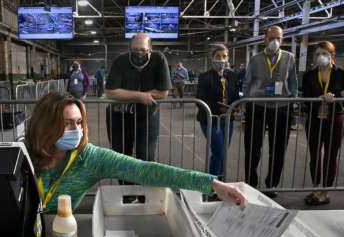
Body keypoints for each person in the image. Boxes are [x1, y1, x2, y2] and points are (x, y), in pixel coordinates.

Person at [26, 92, 248, 213]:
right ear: (46, 125)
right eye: (67, 124)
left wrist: (213, 184)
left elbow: (146, 170)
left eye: (78, 123)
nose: (77, 130)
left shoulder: (90, 158)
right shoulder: (22, 153)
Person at [243, 25, 298, 198]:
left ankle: (271, 184)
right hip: (257, 107)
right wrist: (246, 102)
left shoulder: (290, 58)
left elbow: (293, 83)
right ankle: (251, 182)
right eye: (271, 37)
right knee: (252, 148)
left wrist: (292, 102)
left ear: (282, 40)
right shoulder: (255, 59)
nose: (275, 41)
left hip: (281, 109)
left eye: (278, 38)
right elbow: (247, 83)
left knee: (279, 149)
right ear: (265, 39)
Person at [105, 33, 171, 164]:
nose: (139, 53)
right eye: (135, 50)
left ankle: (143, 185)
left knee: (146, 157)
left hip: (148, 116)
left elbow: (163, 92)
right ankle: (125, 184)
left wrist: (124, 95)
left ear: (150, 51)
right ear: (129, 50)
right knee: (121, 158)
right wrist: (141, 96)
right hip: (119, 117)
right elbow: (110, 92)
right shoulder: (120, 61)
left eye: (143, 50)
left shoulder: (159, 59)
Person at [301, 41, 344, 205]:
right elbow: (305, 97)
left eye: (324, 54)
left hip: (335, 119)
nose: (321, 57)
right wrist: (319, 98)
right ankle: (315, 188)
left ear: (332, 55)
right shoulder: (308, 75)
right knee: (315, 155)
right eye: (317, 54)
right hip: (314, 118)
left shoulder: (341, 74)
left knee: (331, 156)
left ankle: (325, 191)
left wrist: (339, 96)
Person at [196, 44, 240, 182]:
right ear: (212, 58)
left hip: (228, 120)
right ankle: (213, 185)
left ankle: (220, 182)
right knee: (218, 152)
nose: (221, 59)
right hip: (211, 119)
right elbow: (199, 100)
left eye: (224, 56)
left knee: (223, 153)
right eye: (218, 56)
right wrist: (217, 108)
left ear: (228, 58)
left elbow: (235, 96)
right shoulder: (204, 77)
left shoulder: (232, 76)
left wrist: (236, 105)